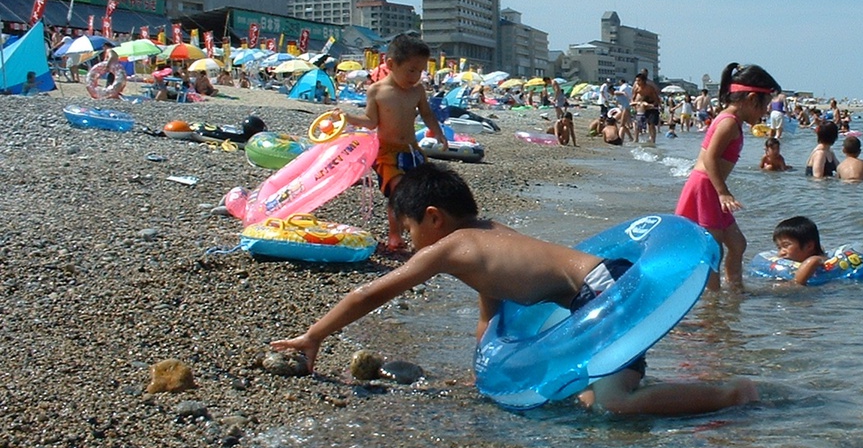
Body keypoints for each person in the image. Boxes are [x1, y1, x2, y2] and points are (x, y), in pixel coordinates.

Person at [271, 164, 757, 416]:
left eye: (408, 229)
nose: (408, 242)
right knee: (586, 400)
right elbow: (492, 317)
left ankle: (732, 395)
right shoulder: (482, 238)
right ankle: (655, 392)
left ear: (433, 219)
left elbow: (369, 295)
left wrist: (314, 336)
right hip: (602, 281)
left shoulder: (449, 247)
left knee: (613, 406)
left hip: (601, 290)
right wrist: (485, 374)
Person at [336, 35, 448, 252]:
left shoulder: (417, 91)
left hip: (412, 150)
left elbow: (426, 113)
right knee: (397, 190)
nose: (415, 76)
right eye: (411, 70)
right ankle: (394, 235)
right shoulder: (377, 91)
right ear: (390, 64)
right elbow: (370, 122)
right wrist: (347, 117)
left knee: (420, 192)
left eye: (420, 71)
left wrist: (438, 132)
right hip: (386, 152)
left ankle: (421, 232)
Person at [675, 62, 778, 290]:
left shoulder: (733, 121)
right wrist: (722, 192)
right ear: (751, 98)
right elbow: (710, 159)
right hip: (706, 186)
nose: (765, 112)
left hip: (712, 186)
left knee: (738, 244)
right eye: (765, 106)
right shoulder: (728, 122)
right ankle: (712, 298)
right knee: (713, 248)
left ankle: (735, 288)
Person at [769, 216, 829, 285]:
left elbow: (813, 261)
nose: (781, 253)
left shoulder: (816, 259)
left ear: (809, 246)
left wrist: (795, 283)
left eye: (786, 245)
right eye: (779, 247)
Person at [632, 71, 663, 144]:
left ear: (643, 81)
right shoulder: (636, 88)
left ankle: (653, 140)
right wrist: (635, 105)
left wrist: (653, 105)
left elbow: (656, 99)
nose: (637, 82)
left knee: (651, 124)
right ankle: (636, 139)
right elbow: (633, 97)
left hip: (651, 107)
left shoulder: (649, 88)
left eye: (639, 81)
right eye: (636, 80)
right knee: (637, 124)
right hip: (641, 107)